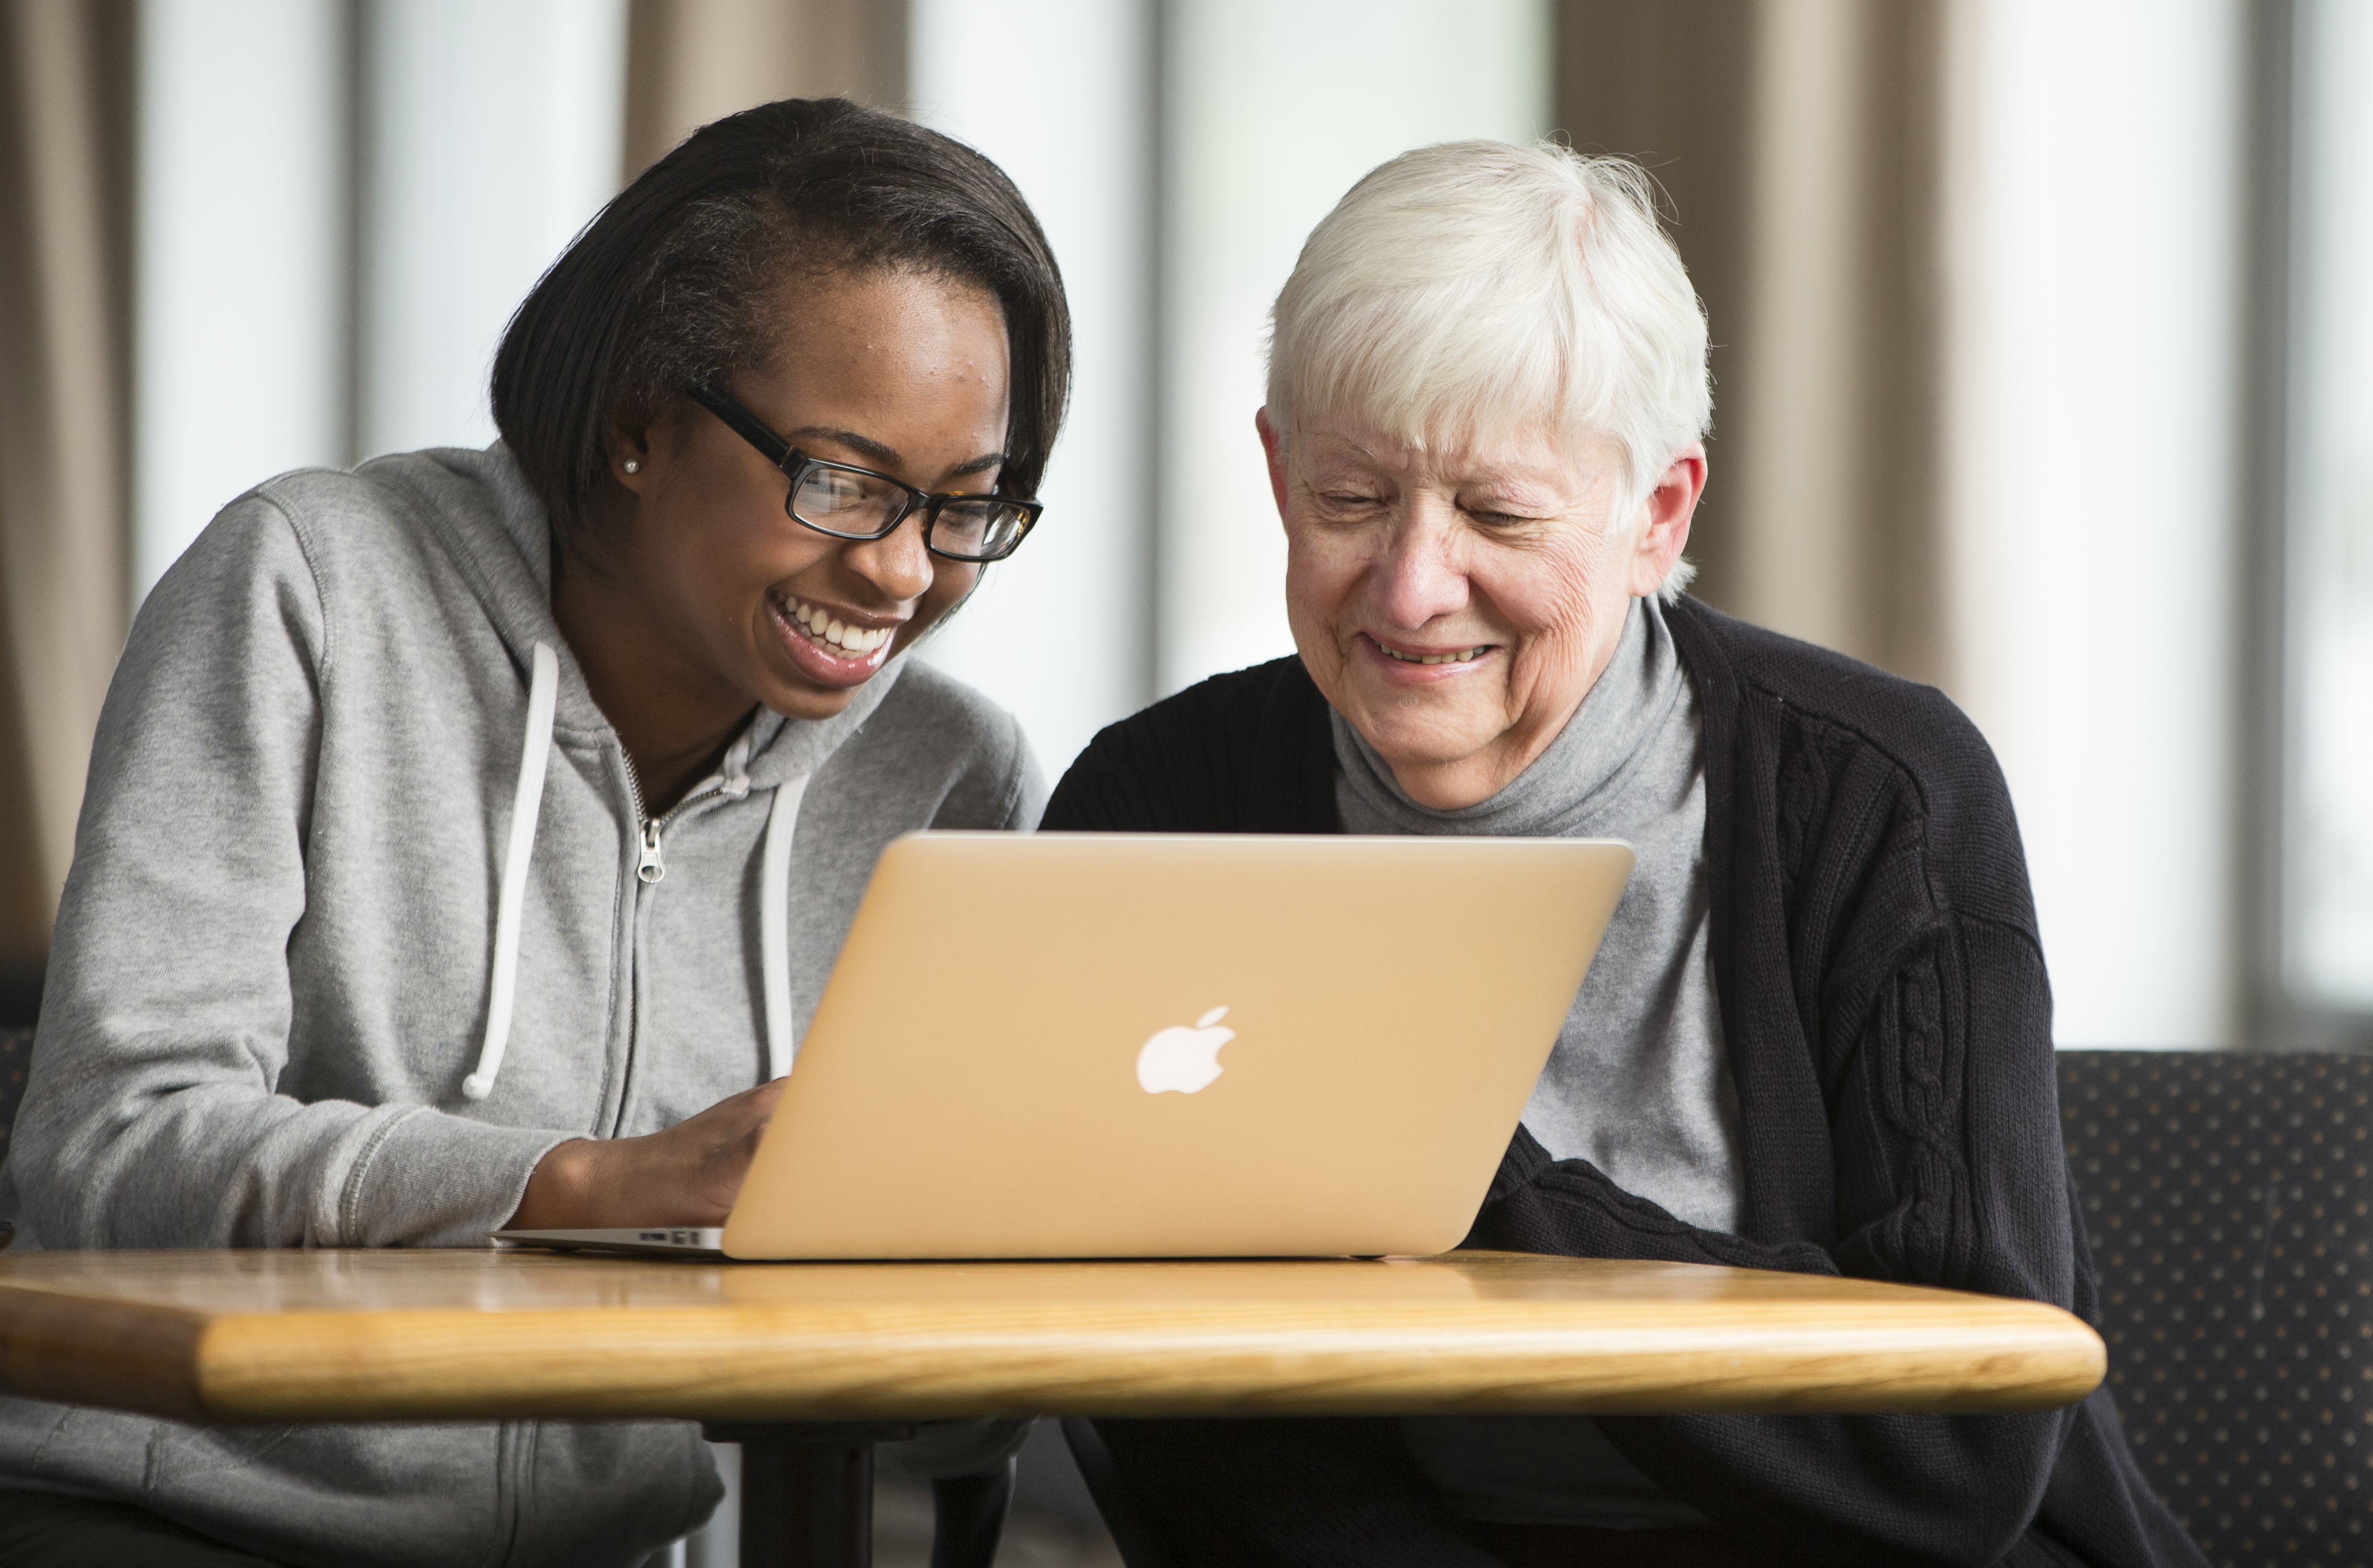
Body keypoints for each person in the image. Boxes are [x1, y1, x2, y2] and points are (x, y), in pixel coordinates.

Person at [1044, 140, 2205, 1568]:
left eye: (1497, 513)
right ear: (1278, 472)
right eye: (1351, 499)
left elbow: (1950, 1453)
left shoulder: (1880, 796)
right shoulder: (1157, 807)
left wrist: (1464, 1181)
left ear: (1658, 516)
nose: (1411, 589)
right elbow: (1173, 1417)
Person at [0, 99, 1060, 1566]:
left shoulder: (948, 777)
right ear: (640, 422)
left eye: (963, 508)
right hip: (166, 1517)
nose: (898, 572)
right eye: (843, 481)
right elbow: (109, 1150)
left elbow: (935, 1392)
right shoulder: (309, 590)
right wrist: (587, 1188)